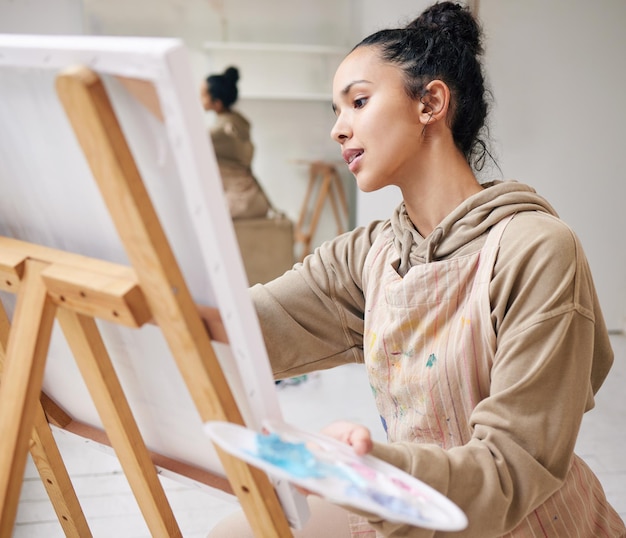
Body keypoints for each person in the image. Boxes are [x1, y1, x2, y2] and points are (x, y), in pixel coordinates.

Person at [205, 2, 626, 536]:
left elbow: (516, 466)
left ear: (431, 102)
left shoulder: (536, 249)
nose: (339, 129)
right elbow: (248, 324)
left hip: (522, 520)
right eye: (337, 110)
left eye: (357, 101)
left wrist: (376, 472)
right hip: (408, 503)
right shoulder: (372, 254)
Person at [200, 66, 271, 219]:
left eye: (203, 94)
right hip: (250, 197)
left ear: (217, 103)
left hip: (239, 203)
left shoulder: (224, 131)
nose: (199, 98)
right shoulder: (238, 123)